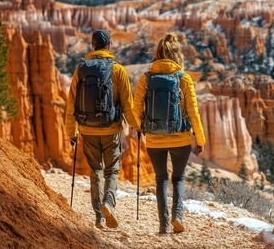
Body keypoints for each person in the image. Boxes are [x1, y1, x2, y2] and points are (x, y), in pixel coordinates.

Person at [65, 29, 142, 229]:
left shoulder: (81, 69)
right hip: (111, 129)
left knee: (95, 170)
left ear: (92, 46)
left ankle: (98, 215)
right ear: (109, 46)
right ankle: (109, 203)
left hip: (87, 129)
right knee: (112, 170)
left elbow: (71, 103)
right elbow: (127, 105)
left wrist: (71, 132)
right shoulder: (118, 70)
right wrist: (137, 126)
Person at [133, 32, 206, 234]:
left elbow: (135, 110)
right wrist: (200, 140)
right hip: (180, 138)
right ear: (177, 55)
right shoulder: (184, 78)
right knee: (178, 178)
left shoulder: (146, 78)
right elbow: (193, 113)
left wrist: (140, 128)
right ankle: (178, 217)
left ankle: (163, 223)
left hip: (154, 140)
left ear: (157, 53)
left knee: (161, 179)